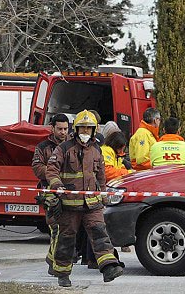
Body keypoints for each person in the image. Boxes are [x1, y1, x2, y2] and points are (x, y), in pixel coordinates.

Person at [44, 110, 123, 287]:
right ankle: (62, 274)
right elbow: (51, 170)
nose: (85, 132)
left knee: (100, 233)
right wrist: (57, 186)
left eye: (89, 128)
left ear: (94, 130)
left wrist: (103, 196)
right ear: (76, 129)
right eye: (82, 128)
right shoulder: (64, 148)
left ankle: (109, 268)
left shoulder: (96, 150)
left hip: (92, 204)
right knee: (66, 239)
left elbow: (101, 176)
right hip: (69, 205)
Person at [31, 113, 71, 275]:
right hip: (50, 193)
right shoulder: (43, 147)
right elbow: (37, 168)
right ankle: (54, 263)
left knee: (65, 229)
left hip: (69, 191)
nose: (63, 132)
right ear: (52, 128)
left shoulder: (72, 146)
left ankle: (53, 258)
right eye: (60, 129)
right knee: (56, 227)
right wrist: (55, 172)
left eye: (65, 129)